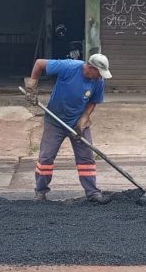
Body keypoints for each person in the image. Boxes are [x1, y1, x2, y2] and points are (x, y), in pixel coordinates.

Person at [22, 54, 113, 205]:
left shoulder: (98, 81)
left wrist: (84, 118)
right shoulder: (69, 67)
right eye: (99, 73)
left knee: (86, 159)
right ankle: (40, 192)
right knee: (46, 158)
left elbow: (93, 101)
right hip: (55, 120)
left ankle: (93, 193)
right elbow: (39, 63)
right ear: (91, 68)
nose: (100, 77)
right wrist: (31, 87)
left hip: (78, 122)